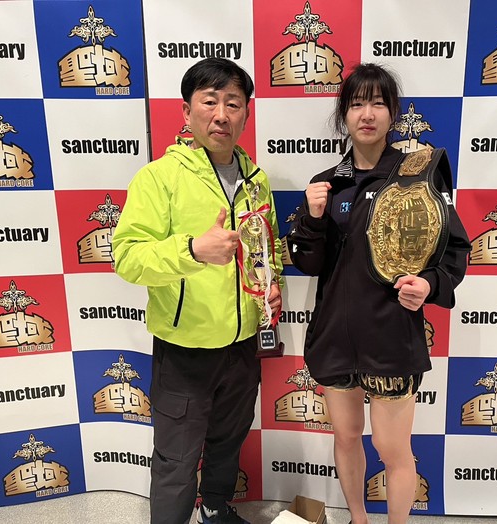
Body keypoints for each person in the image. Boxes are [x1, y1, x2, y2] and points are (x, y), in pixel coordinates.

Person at [287, 63, 470, 524]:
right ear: (343, 115)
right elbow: (309, 264)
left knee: (393, 448)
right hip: (334, 335)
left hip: (390, 337)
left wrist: (429, 284)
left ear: (393, 113)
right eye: (356, 104)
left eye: (377, 103)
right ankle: (357, 517)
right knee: (347, 436)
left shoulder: (418, 175)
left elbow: (455, 250)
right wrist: (311, 219)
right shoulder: (327, 183)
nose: (366, 114)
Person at [112, 57, 283, 524]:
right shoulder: (159, 177)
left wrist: (273, 290)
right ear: (187, 111)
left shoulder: (256, 180)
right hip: (185, 348)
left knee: (228, 442)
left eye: (233, 103)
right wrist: (192, 249)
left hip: (243, 344)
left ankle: (215, 509)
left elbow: (267, 248)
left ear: (246, 113)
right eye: (210, 102)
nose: (221, 115)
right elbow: (127, 258)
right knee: (176, 458)